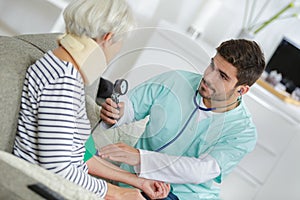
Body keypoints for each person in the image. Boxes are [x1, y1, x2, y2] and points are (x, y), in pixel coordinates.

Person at [13, 0, 170, 199]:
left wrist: (136, 181)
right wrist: (118, 193)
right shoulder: (62, 80)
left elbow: (77, 155)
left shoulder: (67, 72)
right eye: (119, 43)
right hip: (48, 191)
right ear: (108, 37)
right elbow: (57, 169)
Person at [99, 39, 266, 199]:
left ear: (242, 90)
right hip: (133, 182)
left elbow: (202, 170)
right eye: (212, 66)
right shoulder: (176, 80)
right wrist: (117, 114)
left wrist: (140, 158)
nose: (208, 77)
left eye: (222, 76)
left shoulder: (243, 132)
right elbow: (132, 107)